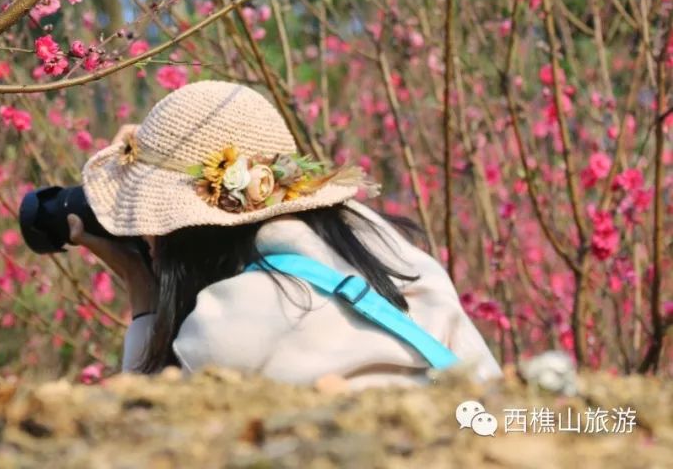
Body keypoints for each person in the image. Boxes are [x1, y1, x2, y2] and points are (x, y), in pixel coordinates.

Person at [68, 80, 502, 390]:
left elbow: (142, 441)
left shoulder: (226, 322)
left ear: (188, 232)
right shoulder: (386, 246)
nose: (146, 236)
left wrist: (143, 297)